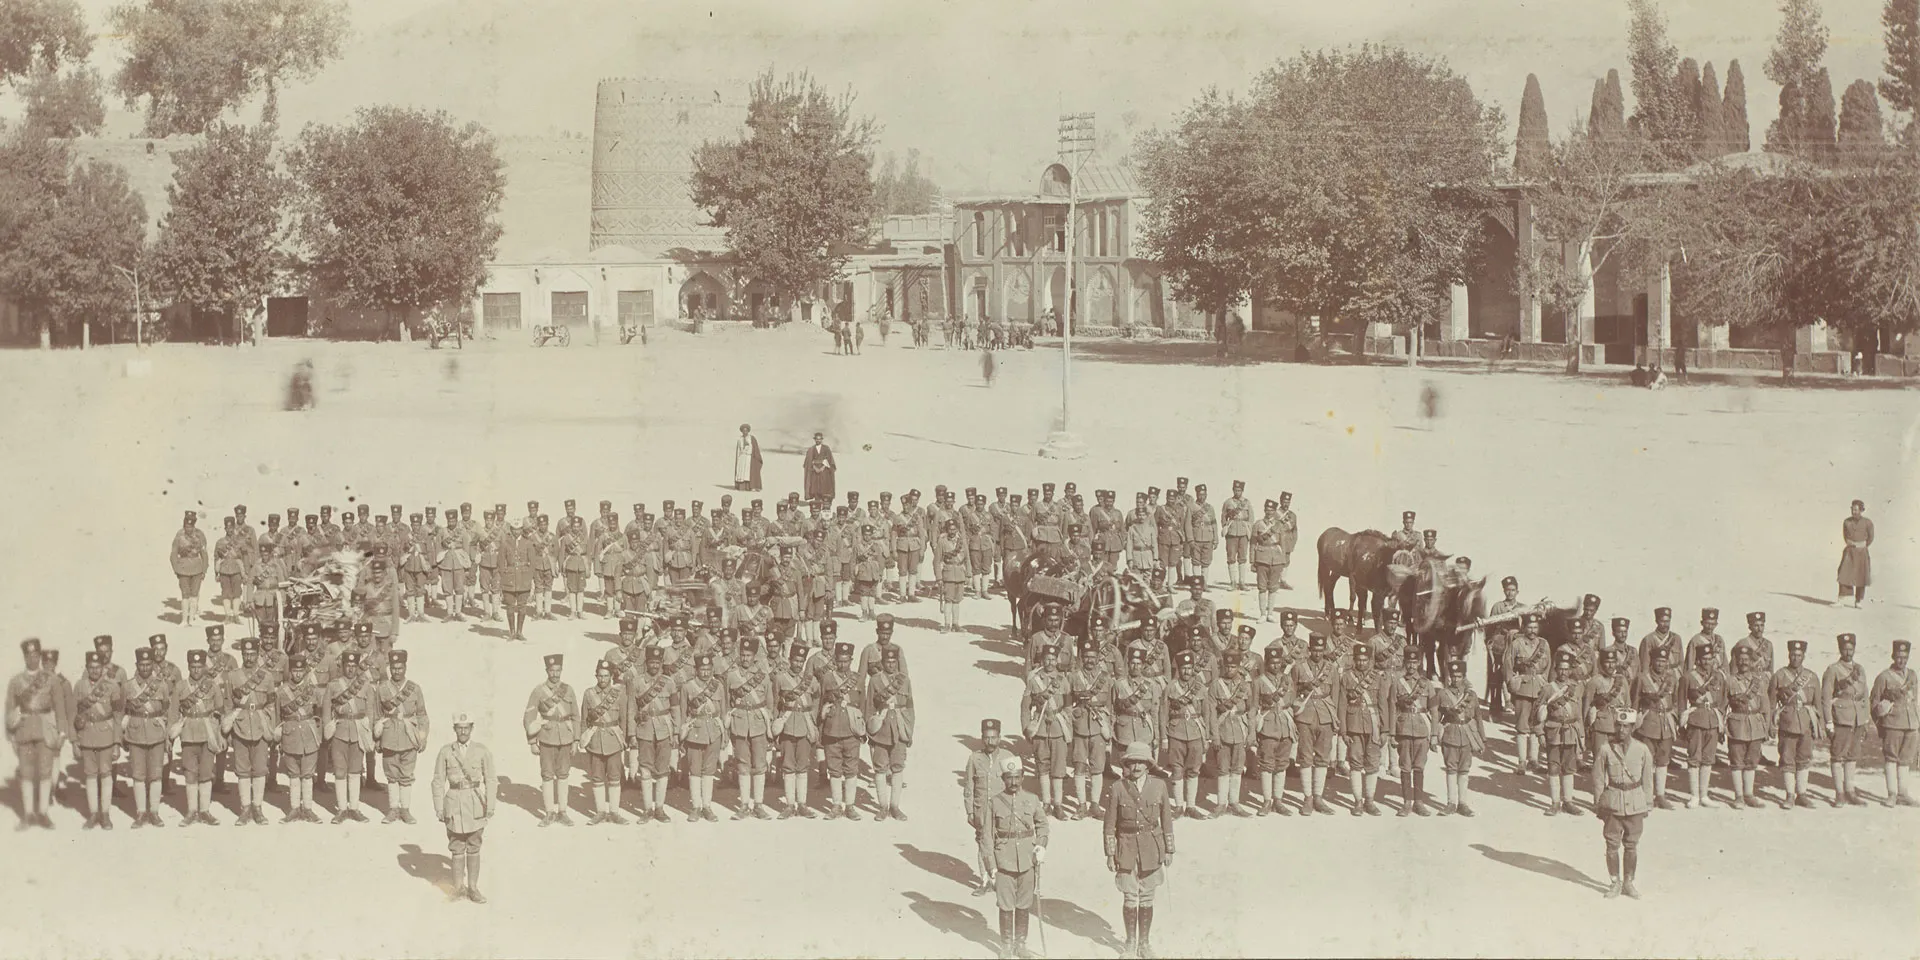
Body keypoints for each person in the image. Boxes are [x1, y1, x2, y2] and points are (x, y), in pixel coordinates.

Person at [1105, 741, 1172, 959]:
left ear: (1148, 764)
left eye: (1141, 762)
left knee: (1147, 896)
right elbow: (1109, 824)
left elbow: (1166, 819)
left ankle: (1144, 944)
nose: (1136, 767)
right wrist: (1109, 853)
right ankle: (1130, 943)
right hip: (1126, 846)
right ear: (1127, 764)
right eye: (1132, 762)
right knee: (1129, 896)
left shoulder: (1159, 786)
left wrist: (1169, 849)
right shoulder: (1117, 788)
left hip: (1151, 845)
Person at [983, 753, 1049, 960]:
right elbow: (986, 837)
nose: (1013, 782)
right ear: (1003, 779)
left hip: (1028, 861)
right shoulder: (994, 803)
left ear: (1022, 777)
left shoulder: (1031, 799)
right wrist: (991, 866)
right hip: (1004, 861)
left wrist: (1040, 846)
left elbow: (1043, 825)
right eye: (1009, 777)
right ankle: (1006, 945)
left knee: (1024, 904)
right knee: (1005, 905)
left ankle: (1020, 944)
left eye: (1017, 777)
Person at [431, 713, 495, 903]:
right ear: (455, 730)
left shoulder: (482, 750)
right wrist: (438, 807)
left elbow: (491, 779)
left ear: (471, 729)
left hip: (475, 803)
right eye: (459, 728)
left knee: (474, 845)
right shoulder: (446, 751)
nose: (463, 731)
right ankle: (459, 888)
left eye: (466, 727)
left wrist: (490, 805)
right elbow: (438, 781)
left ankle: (473, 888)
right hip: (454, 803)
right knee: (457, 845)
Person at [1592, 707, 1653, 900]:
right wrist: (1599, 803)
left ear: (1633, 727)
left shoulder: (1642, 749)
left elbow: (1647, 779)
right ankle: (1614, 882)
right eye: (1618, 725)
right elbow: (1598, 778)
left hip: (1635, 802)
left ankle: (1629, 882)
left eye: (1626, 726)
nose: (1621, 730)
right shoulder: (1605, 749)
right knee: (1611, 845)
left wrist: (1647, 804)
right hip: (1613, 803)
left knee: (1631, 845)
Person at [6, 639, 64, 829]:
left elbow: (59, 707)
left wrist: (61, 732)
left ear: (40, 656)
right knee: (27, 774)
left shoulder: (51, 679)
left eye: (36, 655)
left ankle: (43, 813)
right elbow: (10, 708)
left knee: (46, 772)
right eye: (29, 655)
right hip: (24, 731)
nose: (33, 658)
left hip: (45, 730)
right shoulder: (16, 682)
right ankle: (28, 815)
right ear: (24, 657)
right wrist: (10, 735)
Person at [174, 649, 229, 826]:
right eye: (193, 666)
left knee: (206, 773)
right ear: (188, 666)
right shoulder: (181, 686)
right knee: (190, 773)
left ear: (204, 667)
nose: (196, 670)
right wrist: (172, 734)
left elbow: (220, 710)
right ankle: (191, 812)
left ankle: (204, 811)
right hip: (189, 733)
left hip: (207, 733)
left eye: (199, 666)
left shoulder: (212, 685)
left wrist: (220, 735)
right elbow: (174, 712)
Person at [524, 654, 578, 826]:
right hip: (546, 737)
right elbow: (529, 717)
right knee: (547, 775)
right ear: (547, 671)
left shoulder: (568, 690)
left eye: (558, 670)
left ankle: (563, 811)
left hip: (566, 738)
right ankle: (549, 813)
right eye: (552, 671)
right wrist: (532, 742)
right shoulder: (539, 691)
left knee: (563, 775)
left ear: (561, 670)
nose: (555, 674)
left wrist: (576, 740)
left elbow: (576, 716)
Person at [1769, 639, 1819, 810]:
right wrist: (1771, 724)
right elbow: (1771, 702)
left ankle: (1802, 794)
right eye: (1793, 655)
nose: (1796, 658)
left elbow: (1817, 704)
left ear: (1804, 656)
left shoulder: (1812, 677)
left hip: (1806, 722)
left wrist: (1817, 726)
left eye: (1799, 655)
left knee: (1804, 758)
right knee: (1787, 758)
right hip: (1787, 722)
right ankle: (1790, 795)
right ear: (1788, 655)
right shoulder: (1780, 675)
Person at [866, 645, 914, 820]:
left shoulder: (905, 681)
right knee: (880, 769)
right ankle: (883, 807)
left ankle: (895, 806)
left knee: (898, 768)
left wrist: (909, 731)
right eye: (888, 661)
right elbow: (869, 707)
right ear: (882, 662)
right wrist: (870, 731)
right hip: (881, 730)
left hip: (899, 729)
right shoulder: (875, 681)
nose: (891, 665)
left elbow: (910, 707)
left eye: (894, 662)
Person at [1870, 638, 1917, 807]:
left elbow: (1915, 700)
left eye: (1904, 657)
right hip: (1893, 725)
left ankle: (1903, 793)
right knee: (1891, 758)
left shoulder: (1912, 675)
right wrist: (1880, 724)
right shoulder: (1884, 677)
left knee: (1905, 760)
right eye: (1898, 657)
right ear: (1892, 656)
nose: (1901, 660)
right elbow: (1874, 703)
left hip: (1911, 724)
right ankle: (1891, 794)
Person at [1681, 644, 1728, 808]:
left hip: (1713, 721)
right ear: (1698, 660)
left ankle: (1704, 795)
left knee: (1708, 758)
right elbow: (1681, 701)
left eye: (1710, 659)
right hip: (1696, 720)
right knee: (1694, 757)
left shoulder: (1719, 677)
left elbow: (1723, 699)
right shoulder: (1689, 677)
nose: (1707, 662)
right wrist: (1683, 722)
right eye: (1704, 659)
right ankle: (1694, 795)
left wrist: (1720, 716)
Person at [170, 510, 210, 626]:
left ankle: (191, 618)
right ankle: (184, 620)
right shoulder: (179, 536)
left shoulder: (199, 535)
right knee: (185, 594)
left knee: (194, 594)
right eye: (187, 526)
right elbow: (173, 553)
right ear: (184, 525)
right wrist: (176, 568)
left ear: (194, 525)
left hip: (197, 568)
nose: (189, 528)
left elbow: (204, 553)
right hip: (183, 568)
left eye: (191, 526)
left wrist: (204, 570)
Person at [1838, 500, 1873, 606]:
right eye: (1852, 509)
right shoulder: (1846, 522)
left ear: (1861, 510)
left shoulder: (1868, 522)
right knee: (1843, 574)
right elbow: (1845, 535)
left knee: (1861, 576)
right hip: (1849, 552)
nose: (1854, 512)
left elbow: (1871, 538)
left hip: (1862, 553)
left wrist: (1862, 545)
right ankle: (1841, 600)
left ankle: (1858, 601)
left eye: (1856, 510)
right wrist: (1850, 543)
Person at [803, 432, 836, 503]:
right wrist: (814, 468)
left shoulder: (826, 448)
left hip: (824, 471)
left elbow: (829, 460)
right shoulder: (811, 449)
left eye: (819, 439)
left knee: (824, 486)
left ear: (822, 439)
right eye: (816, 439)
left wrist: (822, 467)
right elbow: (809, 461)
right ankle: (816, 500)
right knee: (815, 487)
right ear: (814, 440)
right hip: (814, 471)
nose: (818, 440)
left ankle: (824, 501)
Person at [734, 423, 763, 492]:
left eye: (746, 430)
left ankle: (751, 486)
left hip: (749, 458)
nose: (745, 432)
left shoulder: (751, 438)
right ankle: (742, 487)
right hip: (742, 457)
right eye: (743, 431)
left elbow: (755, 449)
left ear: (748, 431)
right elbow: (738, 450)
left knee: (749, 473)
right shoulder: (739, 440)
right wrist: (738, 459)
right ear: (742, 431)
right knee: (742, 473)